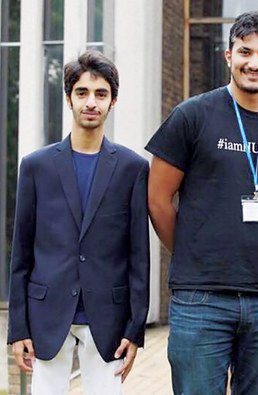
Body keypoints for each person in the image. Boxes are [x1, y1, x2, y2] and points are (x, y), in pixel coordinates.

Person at [145, 10, 258, 394]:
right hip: (201, 299)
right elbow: (157, 199)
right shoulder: (191, 116)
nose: (254, 63)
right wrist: (193, 250)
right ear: (228, 55)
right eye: (245, 51)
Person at [7, 50, 150, 395]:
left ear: (113, 101)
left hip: (108, 319)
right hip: (47, 313)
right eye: (82, 93)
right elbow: (21, 252)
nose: (91, 102)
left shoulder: (132, 169)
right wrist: (17, 327)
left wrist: (135, 329)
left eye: (101, 94)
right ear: (69, 98)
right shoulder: (36, 166)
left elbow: (138, 256)